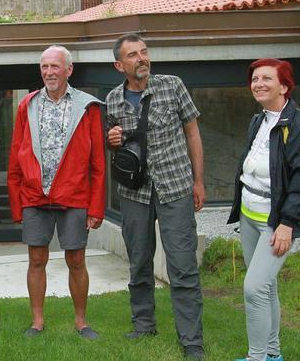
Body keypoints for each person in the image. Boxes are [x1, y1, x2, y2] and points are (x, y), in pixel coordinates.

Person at [105, 33, 205, 361]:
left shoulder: (172, 85)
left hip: (175, 187)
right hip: (135, 193)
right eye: (133, 55)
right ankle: (143, 324)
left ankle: (191, 341)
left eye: (144, 52)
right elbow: (116, 148)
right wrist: (113, 139)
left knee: (183, 266)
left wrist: (199, 181)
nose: (142, 58)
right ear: (120, 65)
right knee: (139, 262)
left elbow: (192, 133)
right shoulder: (113, 100)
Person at [228, 59, 300, 361]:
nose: (258, 83)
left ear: (284, 86)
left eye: (267, 79)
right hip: (249, 215)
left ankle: (256, 357)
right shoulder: (259, 120)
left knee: (253, 288)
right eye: (255, 78)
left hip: (276, 222)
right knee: (266, 287)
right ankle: (273, 353)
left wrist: (287, 224)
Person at [7, 45, 105, 339]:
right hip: (35, 196)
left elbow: (98, 163)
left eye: (54, 67)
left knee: (76, 260)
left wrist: (97, 208)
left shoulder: (88, 107)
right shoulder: (27, 104)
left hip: (74, 195)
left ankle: (81, 322)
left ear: (69, 70)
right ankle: (37, 322)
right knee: (36, 259)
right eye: (44, 67)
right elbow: (15, 155)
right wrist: (16, 204)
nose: (49, 72)